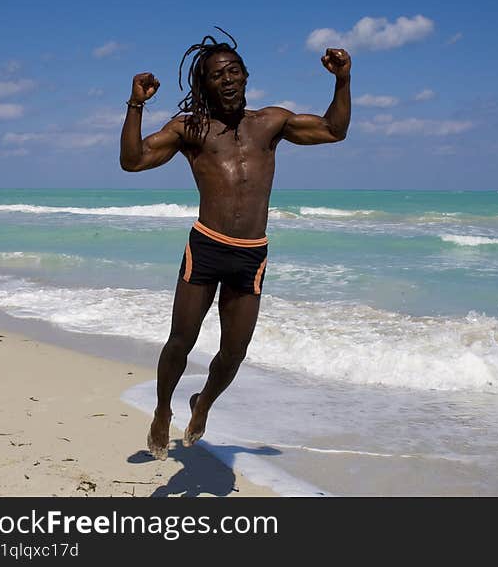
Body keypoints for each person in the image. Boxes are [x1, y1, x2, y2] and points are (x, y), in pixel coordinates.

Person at [120, 28, 351, 460]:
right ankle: (162, 409)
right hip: (206, 247)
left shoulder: (270, 123)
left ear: (245, 76)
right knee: (180, 341)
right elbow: (132, 161)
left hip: (251, 254)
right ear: (204, 84)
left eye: (233, 71)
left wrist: (341, 80)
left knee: (235, 351)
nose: (227, 79)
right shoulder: (191, 129)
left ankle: (202, 401)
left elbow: (334, 130)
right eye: (216, 75)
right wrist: (136, 105)